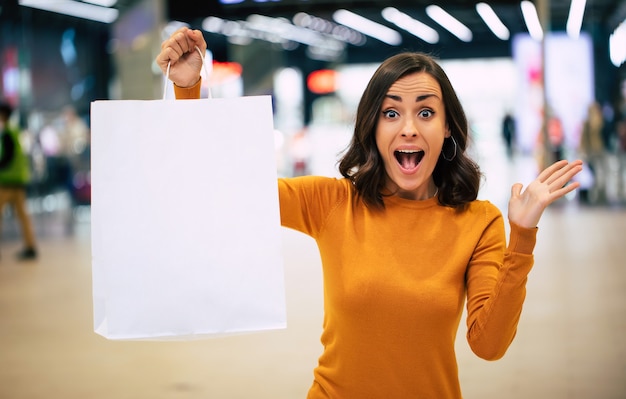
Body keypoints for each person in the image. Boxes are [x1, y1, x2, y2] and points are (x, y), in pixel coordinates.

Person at [156, 27, 583, 398]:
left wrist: (522, 234)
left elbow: (488, 345)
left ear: (448, 126)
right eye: (391, 113)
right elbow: (223, 189)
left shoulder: (479, 221)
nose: (409, 128)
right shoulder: (333, 203)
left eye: (427, 112)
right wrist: (189, 89)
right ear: (373, 128)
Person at [0, 101, 38, 260]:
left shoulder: (8, 133)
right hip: (19, 180)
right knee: (23, 215)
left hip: (7, 181)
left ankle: (30, 247)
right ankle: (30, 247)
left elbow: (7, 158)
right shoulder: (16, 131)